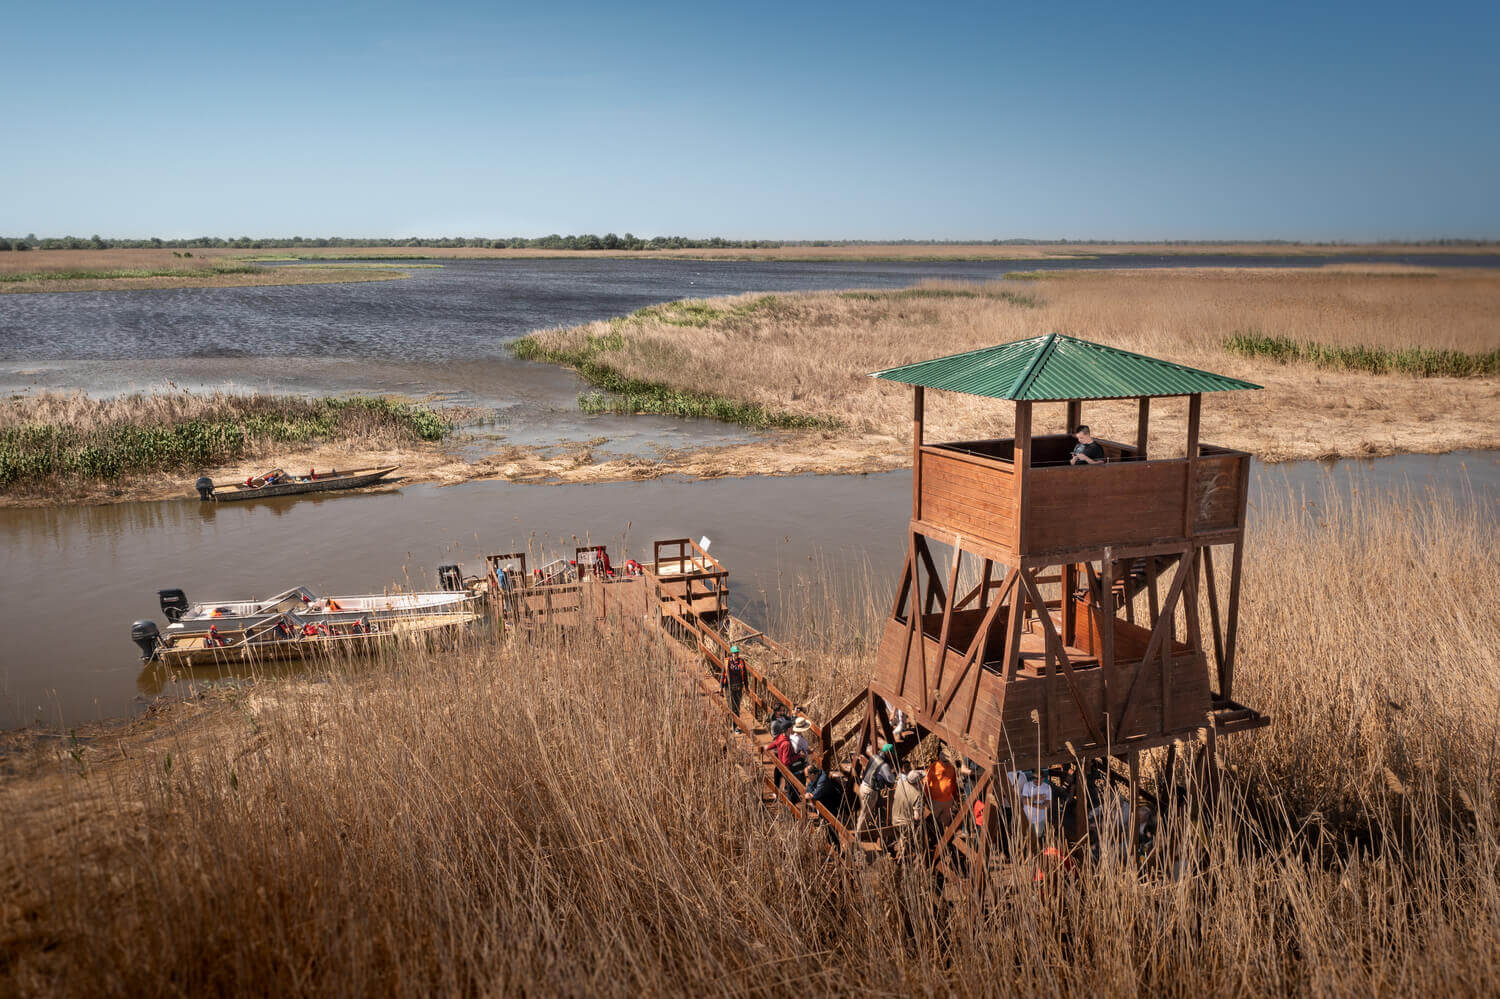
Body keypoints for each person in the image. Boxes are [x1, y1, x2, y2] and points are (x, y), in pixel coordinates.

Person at [854, 743, 898, 838]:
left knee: (864, 814)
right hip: (870, 791)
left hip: (863, 786)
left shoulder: (874, 757)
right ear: (888, 753)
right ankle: (858, 838)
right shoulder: (884, 765)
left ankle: (862, 834)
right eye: (892, 754)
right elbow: (891, 780)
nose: (892, 756)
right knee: (865, 816)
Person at [891, 769, 926, 860]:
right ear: (917, 782)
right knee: (916, 833)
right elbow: (916, 817)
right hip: (904, 823)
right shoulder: (917, 795)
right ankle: (902, 857)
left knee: (903, 835)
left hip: (894, 818)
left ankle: (900, 850)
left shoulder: (900, 783)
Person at [926, 756, 958, 833]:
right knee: (934, 820)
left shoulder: (951, 768)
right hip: (936, 800)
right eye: (944, 761)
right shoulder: (933, 767)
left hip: (948, 800)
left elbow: (953, 783)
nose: (946, 763)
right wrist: (926, 797)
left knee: (946, 820)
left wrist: (955, 795)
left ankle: (945, 836)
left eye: (947, 761)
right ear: (940, 759)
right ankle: (935, 835)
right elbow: (926, 782)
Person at [721, 645, 747, 731]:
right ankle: (730, 725)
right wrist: (721, 688)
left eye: (737, 653)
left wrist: (746, 687)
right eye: (734, 653)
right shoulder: (727, 662)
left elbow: (745, 675)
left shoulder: (741, 662)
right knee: (731, 707)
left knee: (737, 707)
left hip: (738, 687)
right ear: (731, 653)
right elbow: (723, 675)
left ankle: (736, 727)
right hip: (729, 687)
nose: (736, 654)